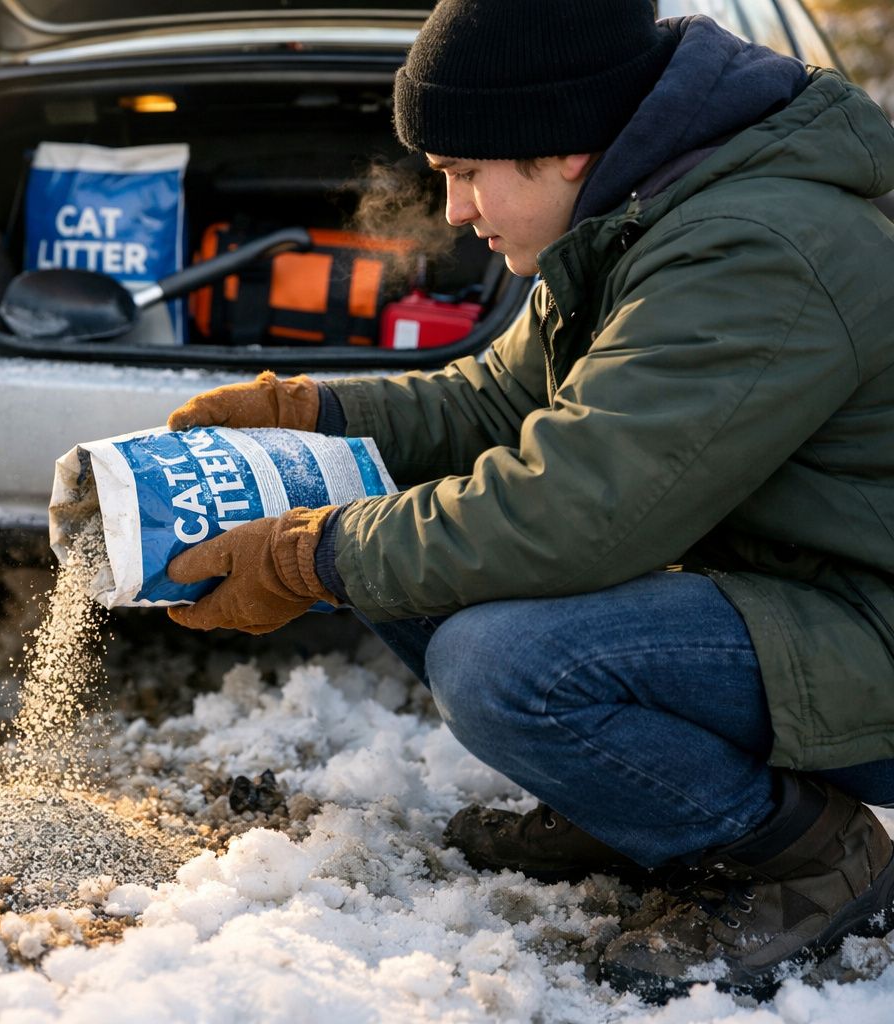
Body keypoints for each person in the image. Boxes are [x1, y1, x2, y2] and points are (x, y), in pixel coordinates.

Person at [163, 0, 894, 1001]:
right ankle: (639, 806)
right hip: (801, 600)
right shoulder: (641, 208)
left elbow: (574, 512)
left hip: (872, 633)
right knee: (395, 518)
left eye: (466, 172)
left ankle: (808, 856)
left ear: (559, 148)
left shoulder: (753, 249)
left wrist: (306, 554)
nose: (456, 210)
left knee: (502, 662)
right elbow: (498, 401)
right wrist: (311, 413)